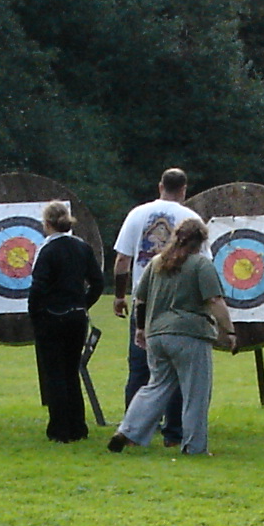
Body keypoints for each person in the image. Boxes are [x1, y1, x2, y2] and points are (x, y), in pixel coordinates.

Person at [107, 215, 232, 455]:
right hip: (189, 335)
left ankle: (127, 430)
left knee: (156, 387)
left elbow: (140, 299)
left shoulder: (156, 263)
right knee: (196, 394)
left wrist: (141, 328)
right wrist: (229, 330)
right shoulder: (201, 264)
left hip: (156, 335)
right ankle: (194, 447)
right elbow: (215, 300)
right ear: (201, 241)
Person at [112, 168, 193, 447]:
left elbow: (122, 261)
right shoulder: (190, 219)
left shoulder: (137, 214)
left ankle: (132, 432)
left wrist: (119, 296)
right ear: (184, 190)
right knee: (177, 369)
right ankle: (174, 434)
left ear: (160, 186)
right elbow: (202, 263)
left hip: (143, 302)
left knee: (139, 369)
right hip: (177, 304)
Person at [28, 201, 105, 442]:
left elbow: (37, 287)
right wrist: (83, 303)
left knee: (54, 374)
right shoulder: (82, 247)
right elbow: (98, 282)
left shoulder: (47, 250)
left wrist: (36, 315)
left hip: (51, 318)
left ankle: (60, 430)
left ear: (47, 224)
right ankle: (78, 427)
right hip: (77, 318)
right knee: (71, 372)